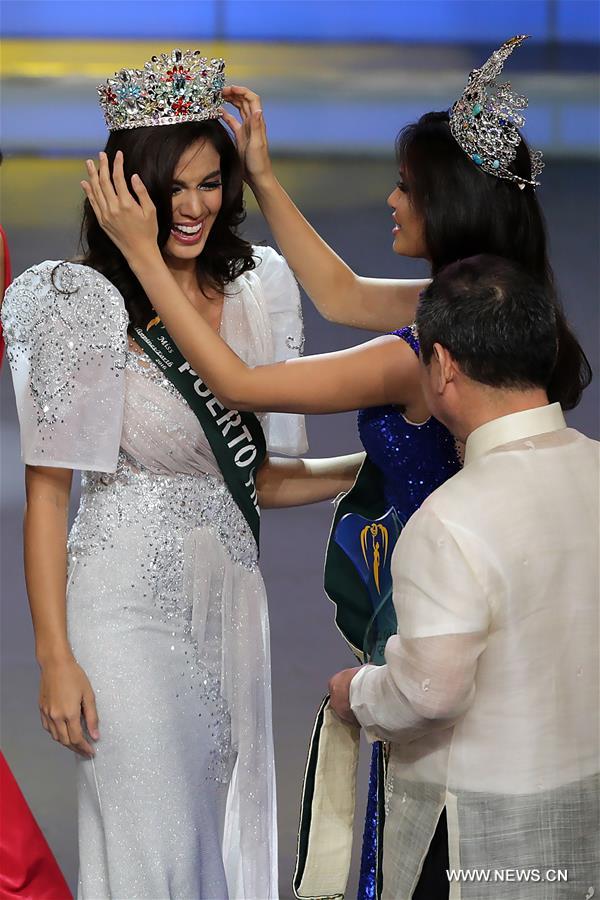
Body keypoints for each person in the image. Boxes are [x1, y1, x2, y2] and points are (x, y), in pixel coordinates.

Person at [85, 36, 591, 899]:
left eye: (406, 187)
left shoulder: (421, 348)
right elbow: (341, 297)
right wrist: (267, 180)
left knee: (443, 829)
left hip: (440, 584)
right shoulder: (498, 293)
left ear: (448, 203)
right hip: (500, 576)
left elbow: (242, 382)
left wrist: (139, 256)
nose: (389, 199)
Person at [1, 49, 365, 900]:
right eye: (175, 187)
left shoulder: (258, 288)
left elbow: (264, 477)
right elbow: (49, 500)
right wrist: (55, 657)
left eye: (211, 182)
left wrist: (370, 466)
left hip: (229, 604)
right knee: (151, 840)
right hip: (118, 601)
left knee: (211, 832)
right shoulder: (78, 305)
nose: (194, 206)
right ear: (128, 190)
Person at [329, 254, 599, 899]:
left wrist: (357, 693)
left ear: (443, 366)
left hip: (486, 842)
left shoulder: (451, 518)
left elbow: (431, 692)